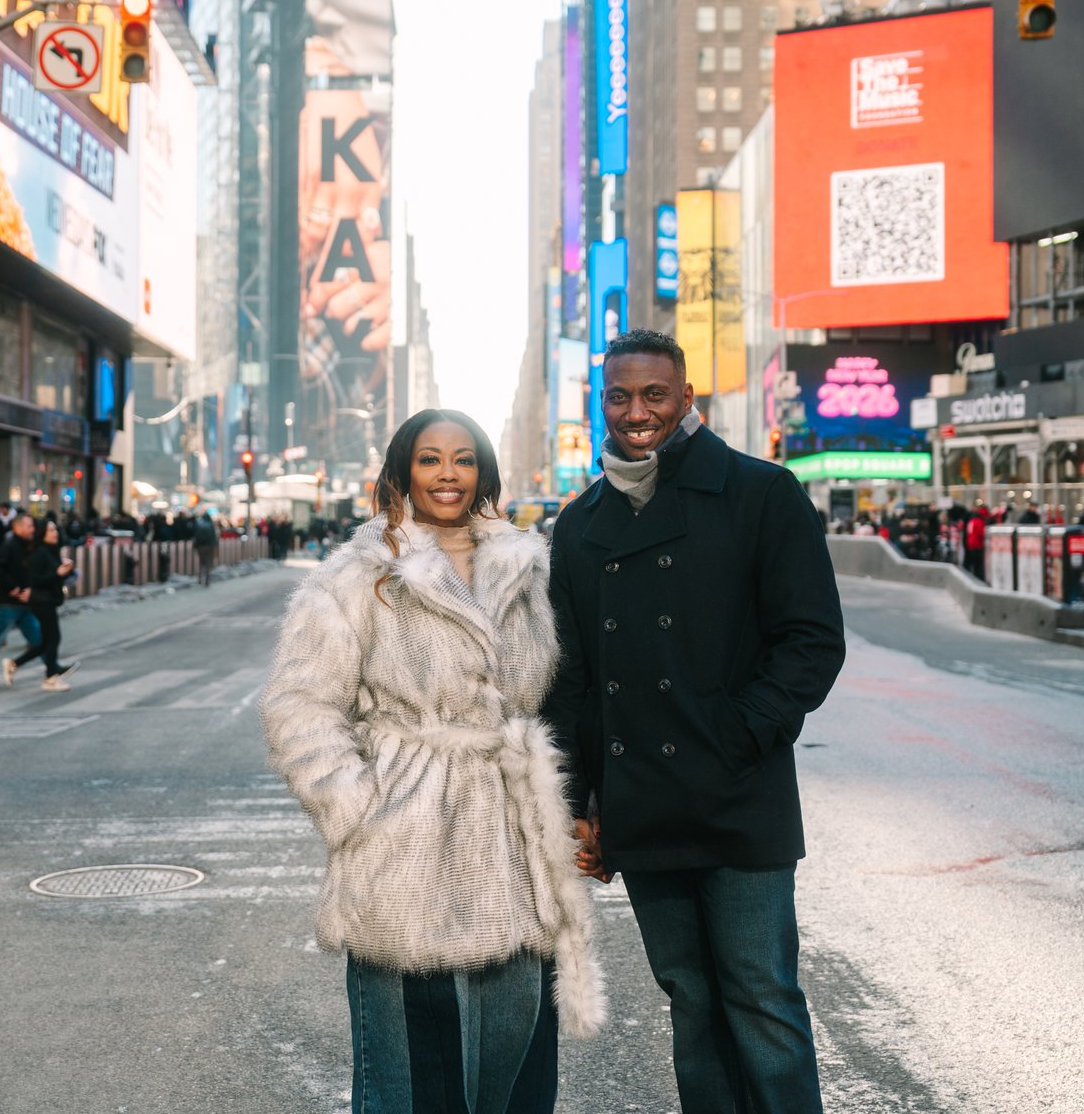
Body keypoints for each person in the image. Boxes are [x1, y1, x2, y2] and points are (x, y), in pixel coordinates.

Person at [260, 408, 605, 1112]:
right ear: (402, 472)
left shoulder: (528, 567)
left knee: (515, 1060)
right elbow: (299, 707)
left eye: (463, 459)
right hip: (407, 852)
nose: (448, 474)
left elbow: (564, 695)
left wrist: (577, 807)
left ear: (483, 472)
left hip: (514, 842)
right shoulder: (359, 575)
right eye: (430, 459)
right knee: (416, 1077)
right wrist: (361, 813)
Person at [543, 328, 844, 1113]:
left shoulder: (760, 492)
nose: (636, 411)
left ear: (686, 397)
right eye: (619, 396)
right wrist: (576, 803)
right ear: (601, 403)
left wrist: (739, 733)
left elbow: (812, 642)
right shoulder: (579, 524)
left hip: (739, 792)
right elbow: (573, 680)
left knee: (762, 995)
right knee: (691, 999)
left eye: (654, 394)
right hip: (642, 800)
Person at [0, 513, 43, 686]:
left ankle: (53, 668)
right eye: (29, 526)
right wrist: (13, 587)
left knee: (37, 638)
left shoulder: (27, 545)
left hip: (24, 602)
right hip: (9, 602)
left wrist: (30, 589)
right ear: (18, 528)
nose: (32, 529)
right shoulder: (10, 545)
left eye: (32, 526)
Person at [6, 519, 74, 690]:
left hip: (48, 599)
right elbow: (36, 580)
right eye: (50, 530)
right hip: (42, 601)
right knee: (53, 638)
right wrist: (58, 573)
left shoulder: (52, 551)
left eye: (55, 529)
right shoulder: (39, 553)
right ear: (42, 534)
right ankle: (50, 677)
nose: (55, 533)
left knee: (44, 642)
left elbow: (55, 577)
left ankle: (14, 664)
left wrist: (66, 571)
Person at [190, 511, 219, 586]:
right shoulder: (211, 524)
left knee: (201, 562)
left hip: (201, 546)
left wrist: (195, 546)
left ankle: (200, 579)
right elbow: (214, 536)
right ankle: (207, 579)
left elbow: (195, 536)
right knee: (208, 562)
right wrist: (215, 546)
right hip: (210, 546)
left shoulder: (199, 524)